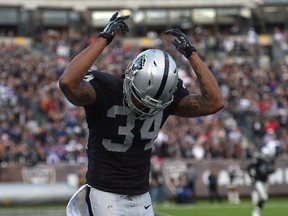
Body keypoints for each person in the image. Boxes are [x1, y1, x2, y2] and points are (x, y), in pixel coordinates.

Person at [59, 11, 224, 216]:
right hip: (105, 194)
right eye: (140, 97)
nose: (146, 107)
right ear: (130, 75)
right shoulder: (106, 89)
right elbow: (67, 82)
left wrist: (192, 54)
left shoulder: (165, 95)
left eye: (155, 102)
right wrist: (103, 39)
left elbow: (215, 102)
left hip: (142, 196)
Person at [247, 141, 278, 216]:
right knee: (263, 197)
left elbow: (269, 171)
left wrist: (271, 171)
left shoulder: (269, 161)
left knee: (264, 198)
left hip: (265, 181)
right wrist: (252, 177)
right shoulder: (259, 160)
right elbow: (250, 168)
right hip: (258, 181)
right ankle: (256, 211)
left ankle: (257, 211)